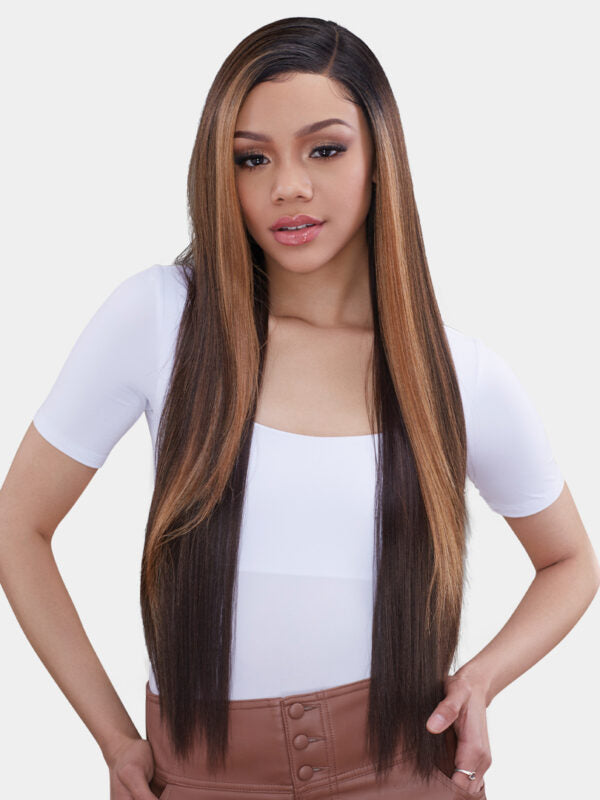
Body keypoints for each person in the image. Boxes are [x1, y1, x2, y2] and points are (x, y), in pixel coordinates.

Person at [1, 16, 598, 800]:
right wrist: (115, 739)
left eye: (325, 149)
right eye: (252, 158)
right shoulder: (161, 318)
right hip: (200, 775)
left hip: (405, 770)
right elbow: (18, 525)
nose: (288, 185)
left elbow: (570, 562)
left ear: (380, 158)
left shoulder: (456, 374)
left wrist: (480, 679)